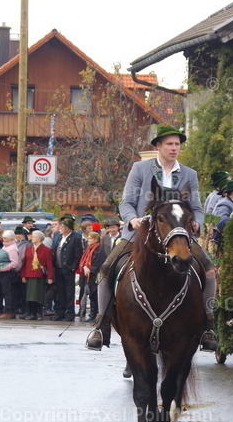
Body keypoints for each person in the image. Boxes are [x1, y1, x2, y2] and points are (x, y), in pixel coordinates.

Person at [86, 124, 217, 352]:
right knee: (106, 268)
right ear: (158, 146)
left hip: (178, 235)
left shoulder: (189, 174)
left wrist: (197, 222)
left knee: (208, 270)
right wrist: (132, 219)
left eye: (177, 144)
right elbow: (126, 202)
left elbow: (196, 207)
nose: (174, 148)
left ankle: (208, 325)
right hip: (140, 234)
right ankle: (101, 324)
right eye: (169, 144)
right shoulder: (141, 169)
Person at [20, 229, 53, 320]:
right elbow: (25, 263)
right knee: (30, 295)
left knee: (39, 295)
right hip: (29, 274)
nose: (32, 238)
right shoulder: (28, 249)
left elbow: (49, 264)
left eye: (34, 237)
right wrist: (23, 275)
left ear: (39, 238)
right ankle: (31, 312)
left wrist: (50, 277)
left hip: (40, 275)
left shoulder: (46, 250)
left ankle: (39, 313)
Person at [0, 230, 21, 319]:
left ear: (11, 239)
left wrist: (3, 268)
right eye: (3, 238)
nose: (3, 239)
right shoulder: (5, 247)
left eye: (5, 238)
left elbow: (15, 263)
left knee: (7, 292)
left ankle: (9, 311)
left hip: (7, 274)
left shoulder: (12, 249)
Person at [77, 231, 105, 322]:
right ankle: (92, 315)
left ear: (95, 239)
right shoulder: (88, 248)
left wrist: (91, 269)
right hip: (87, 275)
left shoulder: (99, 249)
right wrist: (85, 267)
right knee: (91, 296)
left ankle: (95, 314)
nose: (88, 240)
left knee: (95, 295)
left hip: (94, 276)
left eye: (90, 238)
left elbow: (100, 262)